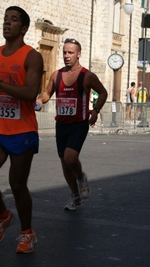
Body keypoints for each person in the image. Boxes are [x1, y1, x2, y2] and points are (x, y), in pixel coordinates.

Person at [0, 6, 43, 254]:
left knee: (17, 185)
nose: (7, 23)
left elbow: (30, 92)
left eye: (13, 20)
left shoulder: (32, 56)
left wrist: (0, 84)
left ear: (23, 28)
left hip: (22, 131)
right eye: (5, 19)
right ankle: (2, 215)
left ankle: (27, 233)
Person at [36, 38, 107, 211]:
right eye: (65, 52)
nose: (67, 56)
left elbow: (103, 92)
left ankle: (81, 177)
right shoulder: (57, 75)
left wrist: (96, 110)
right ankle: (75, 196)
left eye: (71, 52)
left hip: (79, 124)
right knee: (64, 162)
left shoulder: (86, 76)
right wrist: (39, 102)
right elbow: (47, 93)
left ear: (78, 54)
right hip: (61, 124)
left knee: (70, 157)